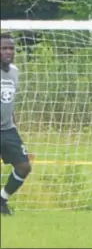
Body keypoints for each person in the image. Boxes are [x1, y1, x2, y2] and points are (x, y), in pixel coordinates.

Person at [0, 33, 32, 215]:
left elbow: (9, 101)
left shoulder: (14, 72)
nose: (8, 51)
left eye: (11, 48)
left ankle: (2, 199)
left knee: (24, 166)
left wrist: (14, 122)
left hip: (8, 129)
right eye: (3, 48)